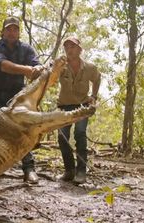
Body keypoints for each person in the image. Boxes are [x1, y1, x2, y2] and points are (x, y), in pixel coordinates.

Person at [0, 17, 42, 184]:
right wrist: (28, 70)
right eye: (8, 29)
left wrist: (38, 68)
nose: (12, 32)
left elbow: (37, 65)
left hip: (17, 94)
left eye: (15, 29)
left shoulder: (26, 49)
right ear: (3, 31)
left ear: (19, 32)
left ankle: (29, 169)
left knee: (23, 129)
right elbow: (3, 65)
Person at [57, 36, 101, 184]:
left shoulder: (89, 68)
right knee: (62, 136)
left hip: (82, 106)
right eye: (67, 47)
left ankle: (81, 171)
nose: (69, 49)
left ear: (80, 49)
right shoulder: (60, 66)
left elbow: (97, 79)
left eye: (72, 46)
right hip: (64, 106)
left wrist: (93, 96)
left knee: (80, 133)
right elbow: (49, 78)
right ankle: (69, 170)